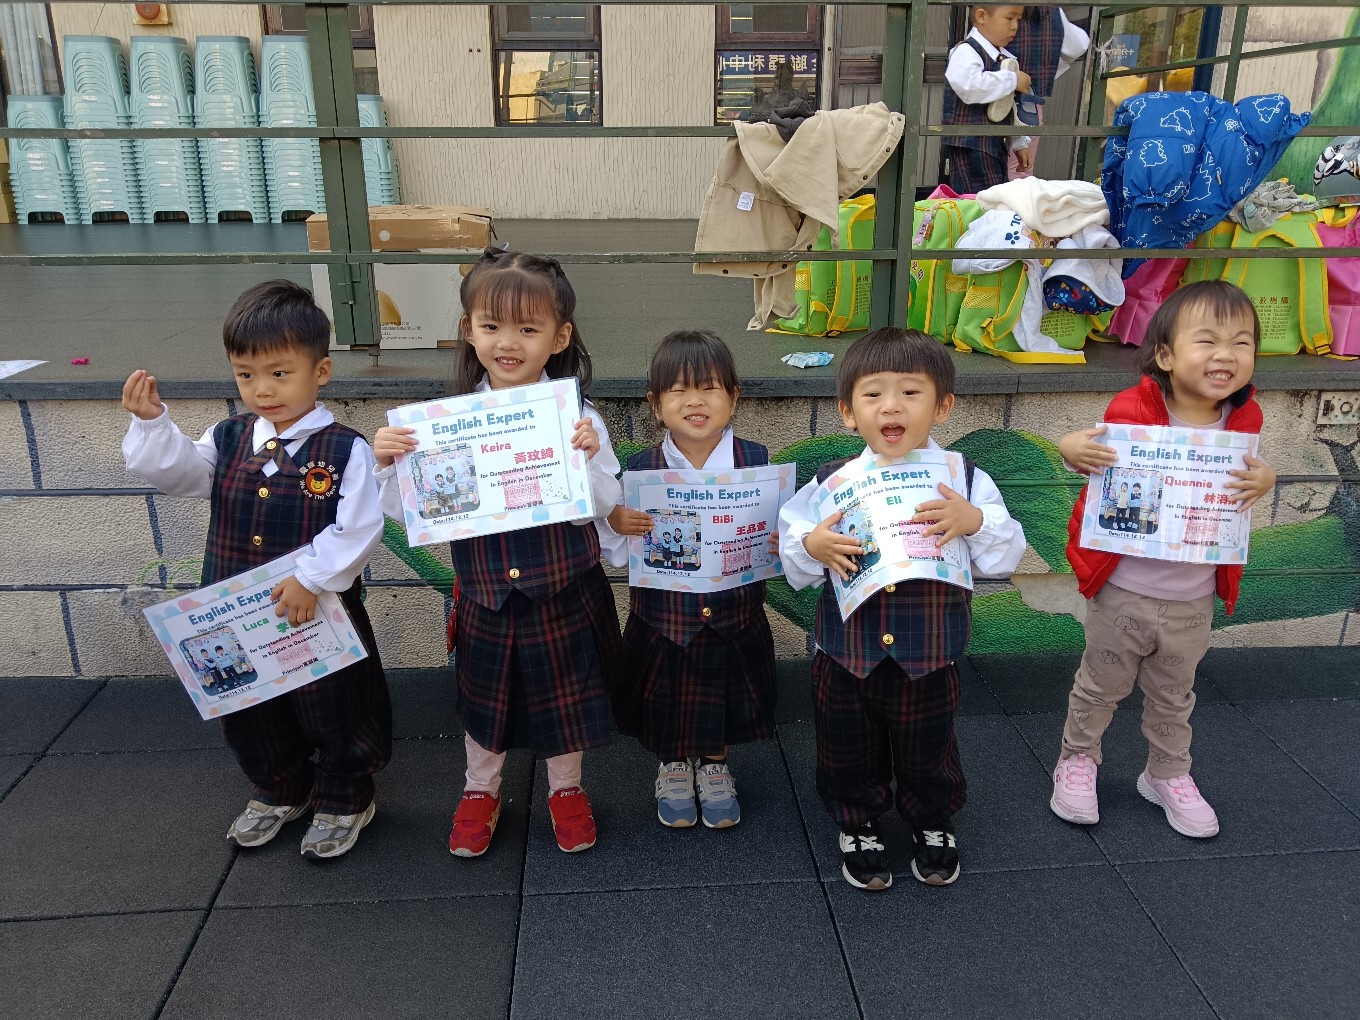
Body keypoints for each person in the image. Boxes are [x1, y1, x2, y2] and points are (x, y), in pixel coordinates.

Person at [122, 279, 392, 860]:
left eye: (279, 373)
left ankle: (345, 795)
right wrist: (152, 425)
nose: (262, 389)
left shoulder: (345, 449)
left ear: (320, 372)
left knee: (332, 705)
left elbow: (361, 526)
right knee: (249, 705)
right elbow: (182, 476)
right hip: (234, 610)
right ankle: (278, 786)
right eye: (246, 375)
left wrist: (312, 578)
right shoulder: (228, 438)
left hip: (314, 612)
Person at [373, 250, 625, 858]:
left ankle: (566, 789)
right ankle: (480, 789)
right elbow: (406, 513)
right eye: (491, 326)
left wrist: (586, 459)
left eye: (528, 328)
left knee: (566, 700)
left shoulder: (579, 417)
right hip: (487, 595)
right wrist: (388, 465)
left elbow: (603, 505)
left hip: (564, 590)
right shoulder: (442, 423)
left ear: (559, 337)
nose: (507, 342)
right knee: (486, 702)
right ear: (469, 330)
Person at [779, 328, 1025, 890]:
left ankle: (931, 817)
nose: (891, 406)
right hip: (847, 655)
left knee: (928, 744)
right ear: (848, 412)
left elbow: (1003, 556)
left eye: (911, 392)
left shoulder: (964, 480)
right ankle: (857, 820)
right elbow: (795, 545)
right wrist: (812, 545)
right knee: (846, 743)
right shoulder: (832, 481)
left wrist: (975, 521)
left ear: (943, 406)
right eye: (873, 394)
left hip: (929, 654)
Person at [1051, 281, 1277, 838]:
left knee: (1174, 695)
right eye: (1207, 340)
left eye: (1242, 342)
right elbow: (1092, 457)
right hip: (1123, 588)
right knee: (1099, 686)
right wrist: (1069, 448)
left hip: (1193, 597)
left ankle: (1166, 772)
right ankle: (1077, 759)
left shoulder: (1245, 420)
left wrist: (1267, 478)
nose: (1226, 354)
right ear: (1166, 355)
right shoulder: (1132, 409)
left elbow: (1249, 477)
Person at [603, 330, 779, 830]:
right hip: (663, 620)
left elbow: (785, 533)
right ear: (656, 405)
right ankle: (674, 764)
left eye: (709, 387)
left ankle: (716, 764)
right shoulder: (639, 471)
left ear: (733, 398)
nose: (694, 400)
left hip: (735, 616)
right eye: (678, 390)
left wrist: (781, 542)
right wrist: (617, 523)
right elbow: (615, 549)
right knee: (666, 697)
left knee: (722, 693)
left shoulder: (758, 463)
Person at [943, 4, 1034, 195]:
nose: (1015, 26)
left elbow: (1007, 106)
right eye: (1009, 18)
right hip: (970, 147)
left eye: (1018, 19)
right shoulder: (966, 51)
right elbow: (969, 86)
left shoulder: (1004, 58)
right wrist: (1012, 80)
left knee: (995, 197)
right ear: (982, 16)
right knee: (978, 200)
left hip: (995, 145)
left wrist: (1018, 142)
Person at [1005, 5, 1091, 179]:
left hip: (996, 96)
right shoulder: (1048, 11)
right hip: (1028, 98)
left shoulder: (999, 10)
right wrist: (1051, 68)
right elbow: (1078, 44)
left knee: (995, 169)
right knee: (1019, 171)